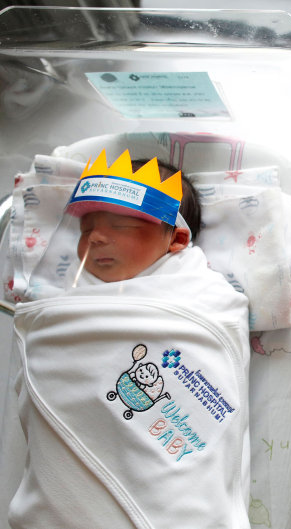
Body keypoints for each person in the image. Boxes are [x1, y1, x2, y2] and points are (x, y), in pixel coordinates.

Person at [8, 149, 252, 529]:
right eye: (86, 229)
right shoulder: (62, 309)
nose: (97, 238)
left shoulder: (206, 301)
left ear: (176, 238)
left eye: (121, 226)